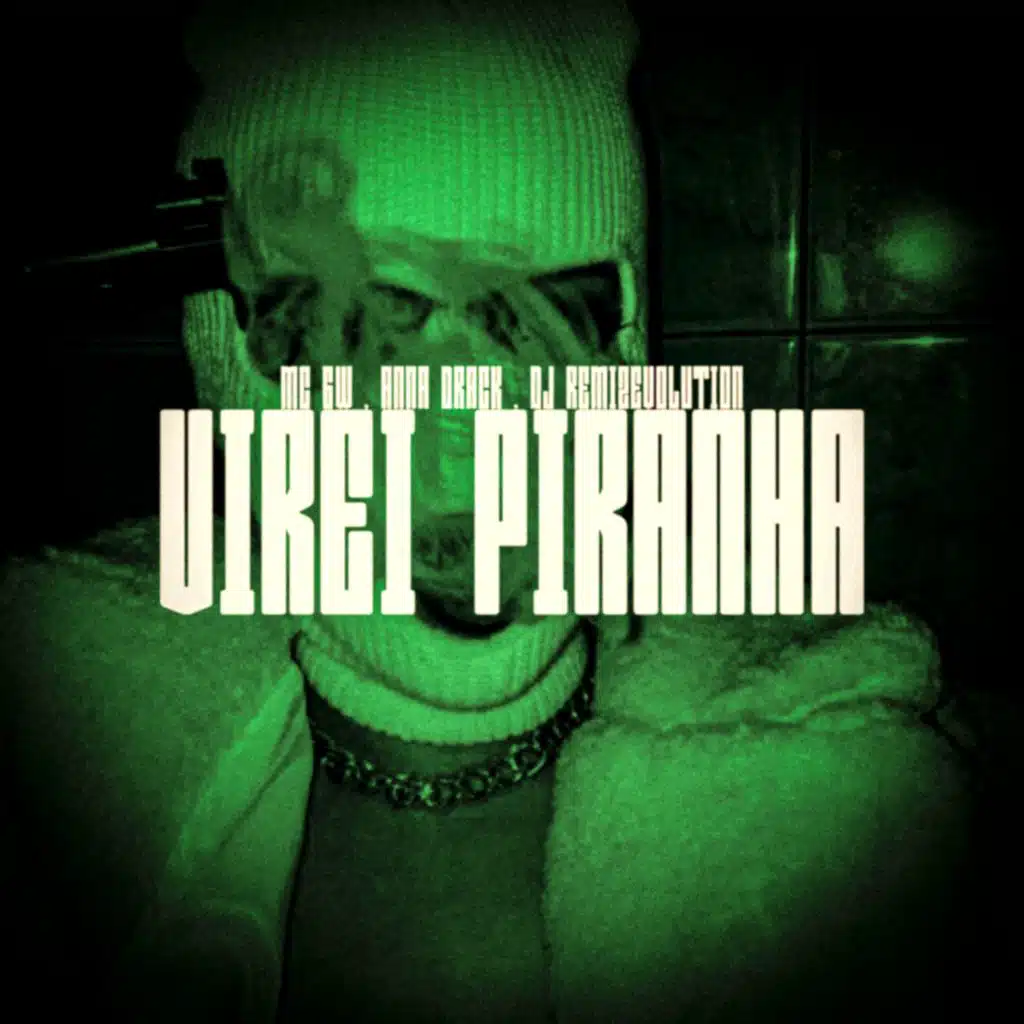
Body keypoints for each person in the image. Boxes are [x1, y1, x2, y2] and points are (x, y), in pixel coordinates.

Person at [1, 2, 974, 1021]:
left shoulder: (874, 832)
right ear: (226, 370)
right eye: (357, 330)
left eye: (547, 320)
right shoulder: (45, 755)